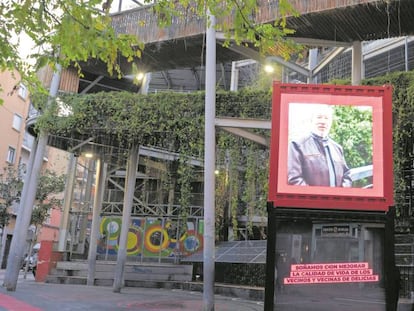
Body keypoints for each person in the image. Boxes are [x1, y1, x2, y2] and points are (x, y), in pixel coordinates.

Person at [287, 104, 352, 187]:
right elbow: (294, 179)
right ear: (311, 120)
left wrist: (341, 194)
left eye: (326, 118)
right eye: (319, 117)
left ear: (331, 122)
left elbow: (347, 174)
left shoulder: (337, 148)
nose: (323, 122)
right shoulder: (297, 145)